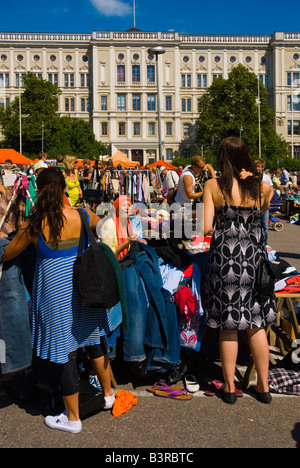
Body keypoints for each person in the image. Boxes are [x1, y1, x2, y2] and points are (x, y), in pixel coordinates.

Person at [2, 167, 117, 434]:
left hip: (55, 295)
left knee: (63, 351)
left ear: (39, 191)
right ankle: (109, 395)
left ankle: (73, 418)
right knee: (93, 339)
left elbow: (9, 253)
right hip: (85, 287)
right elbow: (105, 227)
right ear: (66, 188)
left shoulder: (35, 223)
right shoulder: (81, 214)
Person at [203, 137, 276, 405]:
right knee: (256, 324)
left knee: (229, 324)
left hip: (225, 259)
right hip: (255, 259)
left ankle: (230, 388)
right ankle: (264, 387)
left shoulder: (213, 186)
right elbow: (264, 208)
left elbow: (205, 228)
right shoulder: (263, 189)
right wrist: (253, 179)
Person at [100, 195, 139, 259]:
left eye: (129, 205)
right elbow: (107, 252)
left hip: (126, 263)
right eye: (123, 205)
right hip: (113, 265)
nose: (127, 208)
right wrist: (127, 242)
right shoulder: (108, 225)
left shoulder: (129, 224)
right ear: (117, 209)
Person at [254, 159, 273, 245]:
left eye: (258, 167)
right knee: (254, 225)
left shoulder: (267, 178)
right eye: (256, 166)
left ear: (263, 167)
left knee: (265, 225)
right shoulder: (252, 176)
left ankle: (265, 243)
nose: (257, 168)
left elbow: (271, 191)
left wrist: (268, 200)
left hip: (264, 203)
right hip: (254, 204)